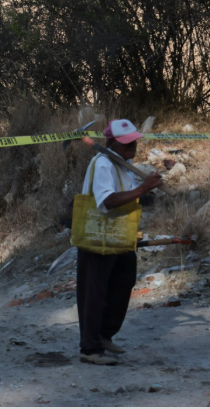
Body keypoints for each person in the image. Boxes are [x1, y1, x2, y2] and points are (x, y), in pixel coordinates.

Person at [77, 119, 163, 365]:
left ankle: (104, 335)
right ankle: (90, 349)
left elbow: (131, 193)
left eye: (134, 141)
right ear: (111, 143)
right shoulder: (103, 163)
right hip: (98, 236)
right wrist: (143, 189)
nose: (132, 147)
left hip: (119, 234)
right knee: (94, 293)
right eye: (126, 143)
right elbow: (108, 201)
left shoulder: (124, 164)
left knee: (123, 282)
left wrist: (146, 185)